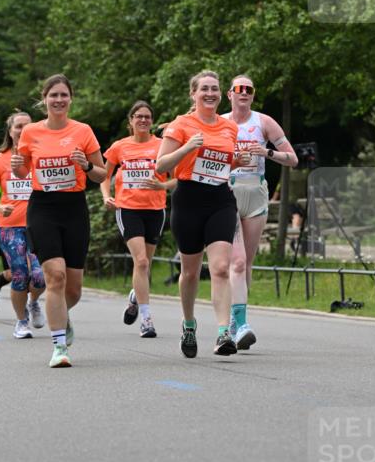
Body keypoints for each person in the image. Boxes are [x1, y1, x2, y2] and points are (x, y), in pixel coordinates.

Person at [11, 73, 106, 368]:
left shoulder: (83, 131)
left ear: (71, 99)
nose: (59, 100)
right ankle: (59, 346)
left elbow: (102, 174)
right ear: (44, 99)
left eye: (64, 95)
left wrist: (87, 165)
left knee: (73, 288)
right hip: (43, 208)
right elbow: (23, 172)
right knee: (55, 276)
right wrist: (17, 168)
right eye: (54, 95)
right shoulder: (31, 133)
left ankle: (62, 314)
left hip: (74, 207)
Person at [156, 70, 252, 358]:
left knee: (221, 267)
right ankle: (188, 324)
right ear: (193, 94)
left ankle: (224, 333)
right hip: (188, 200)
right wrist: (187, 147)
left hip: (220, 200)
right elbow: (161, 166)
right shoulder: (181, 125)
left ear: (221, 94)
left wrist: (236, 161)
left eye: (215, 89)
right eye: (204, 89)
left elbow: (221, 164)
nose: (210, 93)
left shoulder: (228, 127)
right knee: (190, 272)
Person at [225, 74, 297, 349]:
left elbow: (292, 159)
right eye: (238, 89)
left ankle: (235, 319)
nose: (244, 93)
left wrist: (267, 153)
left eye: (249, 89)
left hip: (256, 193)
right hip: (229, 194)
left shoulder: (264, 122)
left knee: (247, 263)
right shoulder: (221, 123)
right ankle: (240, 323)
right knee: (238, 262)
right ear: (230, 94)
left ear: (253, 95)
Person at [101, 101, 176, 337]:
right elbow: (105, 174)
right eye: (138, 117)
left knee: (146, 265)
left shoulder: (163, 146)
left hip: (155, 209)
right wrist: (106, 195)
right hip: (128, 208)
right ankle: (146, 319)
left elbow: (180, 178)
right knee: (141, 262)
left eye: (147, 117)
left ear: (152, 121)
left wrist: (162, 184)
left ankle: (135, 296)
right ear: (130, 121)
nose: (143, 120)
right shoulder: (119, 146)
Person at [0, 110, 46, 338]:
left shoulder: (41, 155)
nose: (23, 129)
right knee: (19, 273)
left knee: (40, 276)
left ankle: (33, 301)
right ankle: (21, 322)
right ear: (10, 132)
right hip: (9, 226)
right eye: (18, 126)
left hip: (39, 224)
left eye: (27, 125)